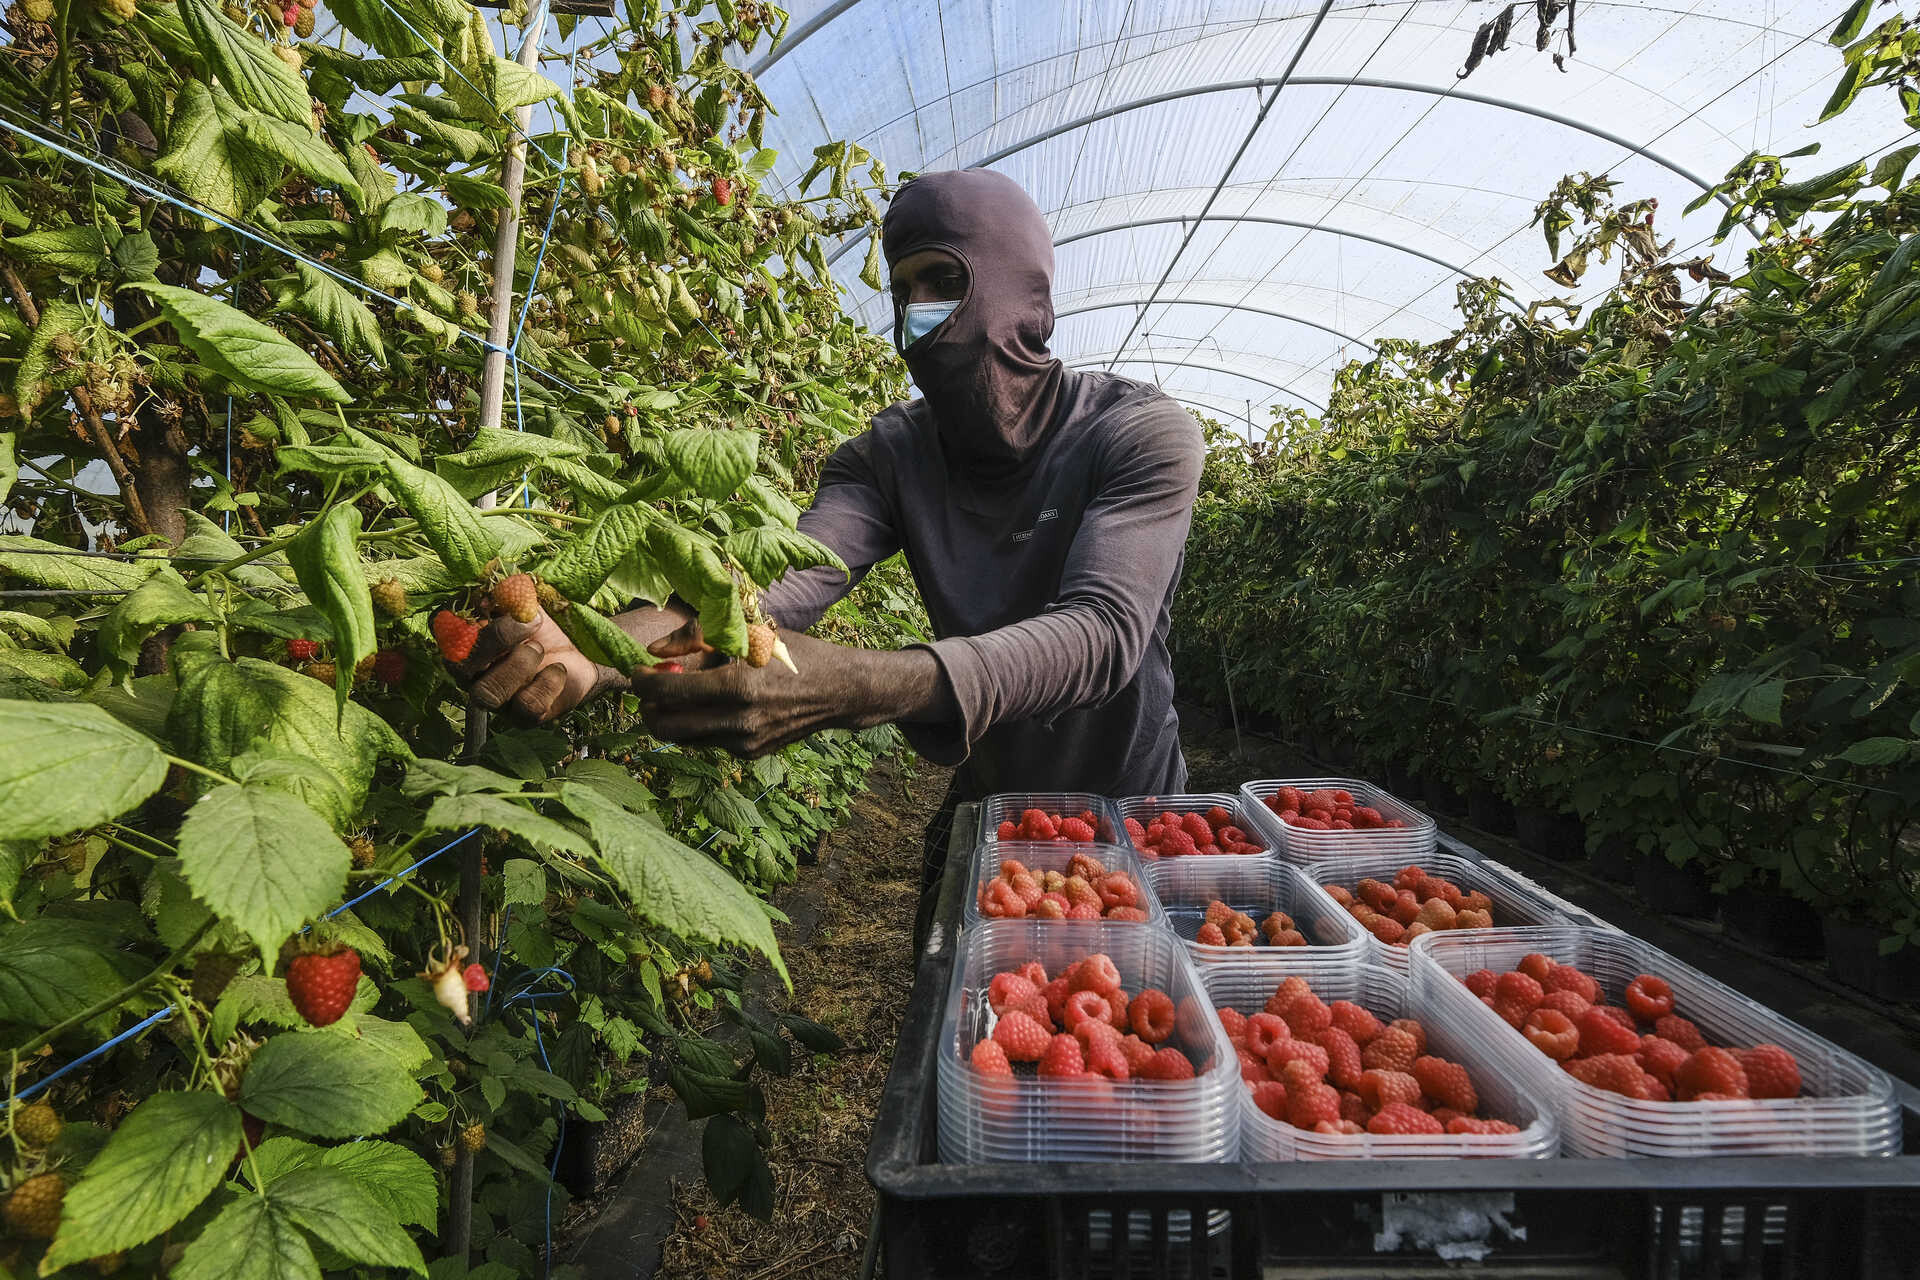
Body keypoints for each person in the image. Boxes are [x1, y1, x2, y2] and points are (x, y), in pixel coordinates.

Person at [454, 169, 1205, 947]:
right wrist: (592, 651)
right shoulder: (890, 457)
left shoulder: (1137, 435)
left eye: (946, 281)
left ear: (1024, 293)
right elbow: (782, 582)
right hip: (995, 798)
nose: (919, 313)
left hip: (1135, 806)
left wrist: (857, 685)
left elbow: (1102, 633)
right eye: (903, 290)